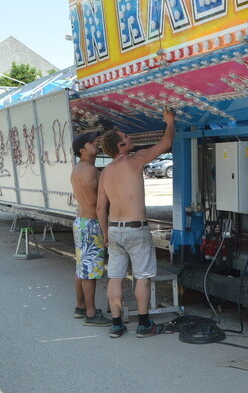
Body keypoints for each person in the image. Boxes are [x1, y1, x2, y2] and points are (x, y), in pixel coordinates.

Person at [97, 109, 175, 338]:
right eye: (126, 138)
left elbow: (101, 208)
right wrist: (169, 122)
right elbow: (166, 143)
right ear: (120, 146)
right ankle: (143, 324)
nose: (130, 139)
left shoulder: (106, 172)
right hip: (136, 229)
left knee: (116, 277)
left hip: (114, 230)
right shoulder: (135, 160)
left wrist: (105, 233)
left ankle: (116, 324)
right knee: (142, 277)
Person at [70, 132, 111, 327]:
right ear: (82, 149)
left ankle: (81, 306)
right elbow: (98, 204)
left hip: (82, 222)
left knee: (82, 267)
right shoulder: (89, 170)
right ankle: (91, 312)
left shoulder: (79, 168)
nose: (96, 143)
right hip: (91, 223)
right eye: (92, 142)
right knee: (91, 270)